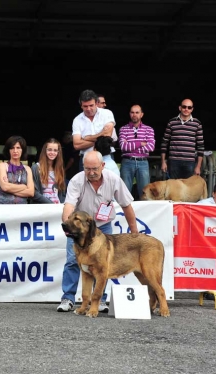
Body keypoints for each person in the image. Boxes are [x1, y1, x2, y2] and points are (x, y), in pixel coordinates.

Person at [57, 151, 137, 313]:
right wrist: (67, 225)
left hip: (103, 226)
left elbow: (126, 205)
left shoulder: (114, 179)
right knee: (72, 261)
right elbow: (69, 206)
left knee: (102, 265)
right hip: (79, 229)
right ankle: (68, 298)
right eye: (87, 169)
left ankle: (100, 301)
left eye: (94, 168)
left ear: (103, 166)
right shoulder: (76, 181)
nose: (91, 172)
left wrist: (134, 231)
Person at [71, 90, 117, 172]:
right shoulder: (77, 120)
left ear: (96, 103)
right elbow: (77, 145)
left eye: (91, 105)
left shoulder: (107, 113)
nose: (88, 109)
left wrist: (86, 138)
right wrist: (101, 140)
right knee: (86, 184)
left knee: (110, 183)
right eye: (85, 106)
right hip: (86, 158)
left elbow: (107, 136)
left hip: (105, 157)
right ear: (81, 106)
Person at [160, 98, 205, 179]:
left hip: (190, 162)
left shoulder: (197, 123)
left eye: (189, 107)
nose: (186, 109)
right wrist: (163, 162)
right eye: (184, 107)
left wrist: (198, 166)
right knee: (173, 189)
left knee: (188, 190)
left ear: (192, 109)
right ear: (180, 108)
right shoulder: (172, 122)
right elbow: (164, 143)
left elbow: (200, 146)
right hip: (174, 162)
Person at [119, 105, 155, 199]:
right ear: (129, 114)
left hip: (143, 162)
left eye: (137, 112)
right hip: (127, 162)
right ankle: (125, 214)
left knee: (145, 193)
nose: (134, 115)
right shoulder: (123, 129)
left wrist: (130, 145)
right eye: (132, 112)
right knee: (124, 193)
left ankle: (144, 214)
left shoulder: (149, 129)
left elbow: (151, 147)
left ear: (142, 114)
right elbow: (123, 146)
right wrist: (141, 143)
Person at [0, 136, 34, 204]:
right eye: (12, 148)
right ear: (8, 150)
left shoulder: (27, 169)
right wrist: (24, 186)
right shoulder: (2, 166)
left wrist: (10, 188)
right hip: (3, 208)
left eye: (18, 148)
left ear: (22, 150)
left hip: (21, 209)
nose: (15, 151)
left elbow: (31, 192)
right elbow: (5, 187)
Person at [31, 138, 65, 204]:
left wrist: (61, 204)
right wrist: (51, 203)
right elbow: (34, 192)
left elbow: (62, 192)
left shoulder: (59, 169)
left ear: (58, 152)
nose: (52, 153)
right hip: (42, 208)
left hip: (57, 208)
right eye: (49, 150)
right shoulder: (36, 168)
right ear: (45, 151)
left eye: (55, 150)